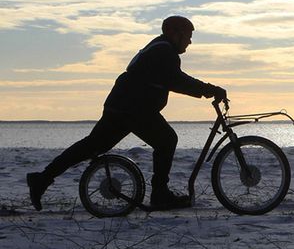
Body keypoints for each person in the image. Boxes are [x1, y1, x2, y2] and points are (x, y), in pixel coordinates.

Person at [27, 16, 227, 211]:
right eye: (188, 36)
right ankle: (160, 194)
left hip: (122, 106)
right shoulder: (164, 51)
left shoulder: (159, 47)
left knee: (91, 145)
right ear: (174, 34)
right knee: (166, 140)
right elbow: (176, 80)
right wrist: (210, 89)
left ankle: (42, 179)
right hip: (134, 108)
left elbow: (170, 80)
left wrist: (207, 90)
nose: (190, 41)